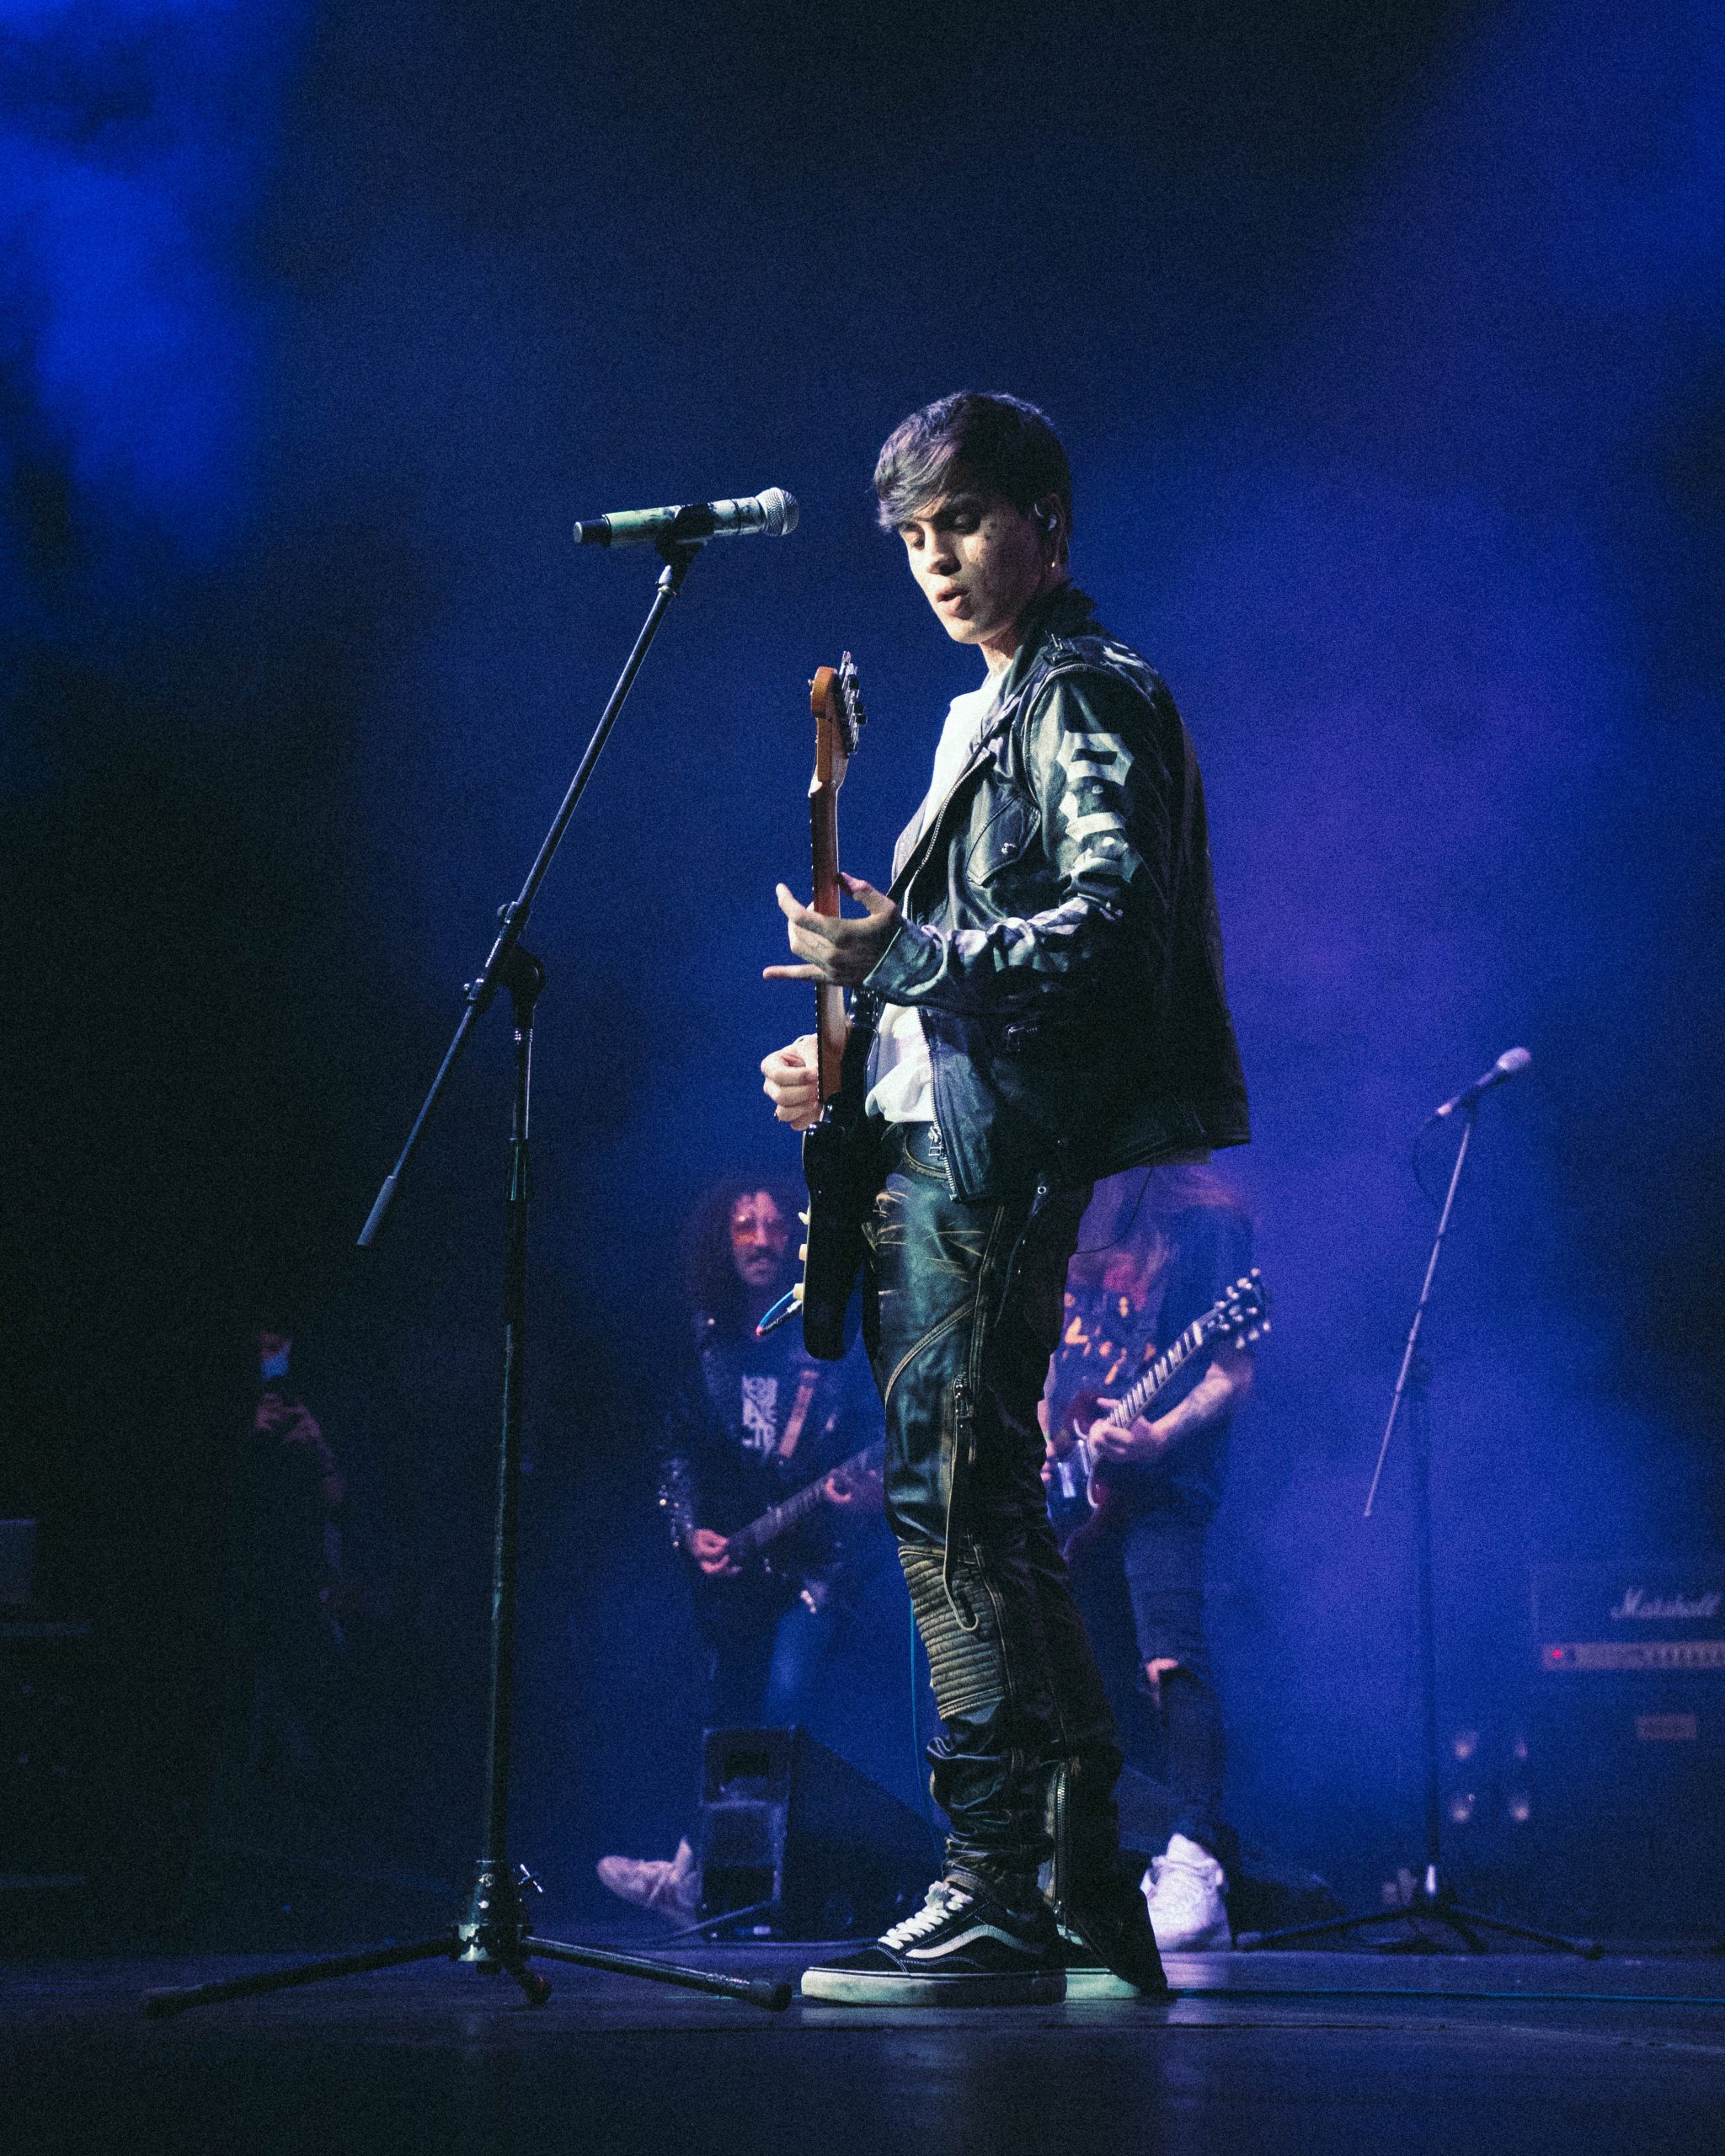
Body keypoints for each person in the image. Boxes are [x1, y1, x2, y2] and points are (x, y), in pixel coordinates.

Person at [760, 392, 1249, 2004]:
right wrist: (849, 1064)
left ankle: (990, 1888)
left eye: (961, 520)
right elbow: (963, 976)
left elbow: (1108, 929)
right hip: (945, 1147)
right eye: (912, 536)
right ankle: (1072, 1878)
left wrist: (899, 957)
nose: (935, 560)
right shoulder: (985, 711)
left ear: (1046, 519)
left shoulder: (1081, 692)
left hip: (994, 1164)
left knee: (952, 1511)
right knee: (975, 1513)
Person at [595, 1178, 887, 1921]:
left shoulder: (832, 1336)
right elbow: (678, 1450)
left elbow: (880, 1440)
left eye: (775, 1225)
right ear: (720, 1244)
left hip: (819, 1566)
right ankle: (701, 1878)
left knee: (785, 1698)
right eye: (743, 1226)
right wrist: (687, 1527)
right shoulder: (705, 1343)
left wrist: (869, 1493)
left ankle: (766, 1887)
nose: (760, 1240)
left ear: (799, 1239)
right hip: (739, 1566)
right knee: (724, 1712)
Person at [1044, 1166, 1255, 1951]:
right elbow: (1048, 1357)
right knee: (1076, 1678)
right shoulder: (1061, 1209)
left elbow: (1232, 1370)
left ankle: (1197, 1860)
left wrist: (1159, 1434)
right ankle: (1090, 1866)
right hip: (1073, 1487)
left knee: (1170, 1660)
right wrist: (1046, 1442)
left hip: (1162, 1481)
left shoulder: (1205, 1221)